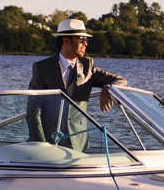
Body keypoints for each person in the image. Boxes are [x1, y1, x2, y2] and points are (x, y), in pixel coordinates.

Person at [26, 18, 127, 152]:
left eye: (86, 40)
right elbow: (33, 111)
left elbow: (121, 81)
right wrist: (40, 145)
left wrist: (107, 88)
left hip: (79, 145)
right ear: (66, 40)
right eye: (81, 39)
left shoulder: (88, 66)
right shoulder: (42, 68)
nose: (85, 44)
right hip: (49, 144)